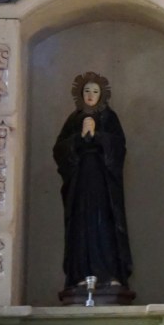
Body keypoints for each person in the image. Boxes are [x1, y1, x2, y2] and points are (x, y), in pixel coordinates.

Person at [52, 72, 133, 303]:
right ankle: (80, 275)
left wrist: (97, 136)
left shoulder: (109, 118)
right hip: (79, 184)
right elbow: (59, 150)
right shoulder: (73, 119)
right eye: (87, 91)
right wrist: (79, 138)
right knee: (82, 226)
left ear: (101, 95)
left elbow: (119, 147)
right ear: (80, 94)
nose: (90, 95)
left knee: (104, 224)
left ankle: (110, 274)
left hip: (104, 184)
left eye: (95, 91)